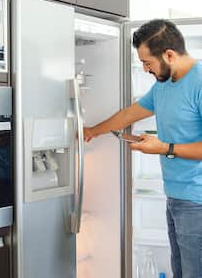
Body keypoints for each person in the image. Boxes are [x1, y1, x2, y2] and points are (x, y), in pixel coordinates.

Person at [83, 19, 202, 278]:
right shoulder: (162, 86)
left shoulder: (200, 82)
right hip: (176, 198)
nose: (146, 69)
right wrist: (92, 131)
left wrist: (164, 147)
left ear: (169, 54)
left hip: (198, 201)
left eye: (148, 62)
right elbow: (128, 115)